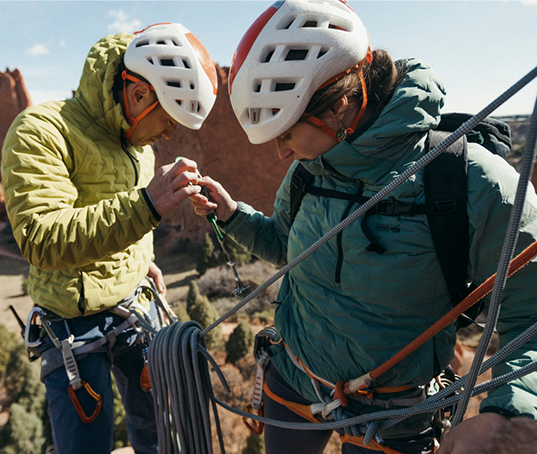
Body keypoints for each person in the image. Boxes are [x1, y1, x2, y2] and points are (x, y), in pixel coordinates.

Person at [191, 1, 537, 453]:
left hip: (392, 414)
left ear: (340, 103)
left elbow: (529, 314)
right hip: (293, 380)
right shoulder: (308, 173)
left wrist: (510, 413)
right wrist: (230, 214)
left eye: (286, 133)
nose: (280, 154)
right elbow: (285, 247)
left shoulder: (472, 182)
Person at [1, 23, 217, 454]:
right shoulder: (41, 131)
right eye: (168, 119)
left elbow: (120, 222)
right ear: (138, 96)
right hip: (72, 331)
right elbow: (41, 238)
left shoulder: (140, 144)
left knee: (157, 434)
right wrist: (147, 206)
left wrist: (141, 261)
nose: (170, 134)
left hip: (135, 313)